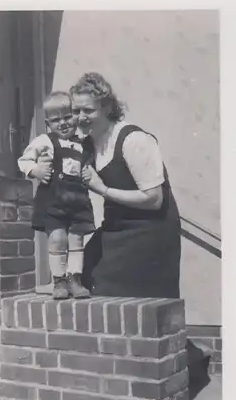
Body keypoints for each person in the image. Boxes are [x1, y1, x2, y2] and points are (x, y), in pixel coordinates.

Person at [69, 72, 181, 298]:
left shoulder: (133, 140)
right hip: (115, 228)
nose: (81, 117)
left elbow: (154, 199)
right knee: (82, 275)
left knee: (128, 300)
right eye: (76, 111)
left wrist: (103, 190)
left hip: (148, 231)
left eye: (88, 110)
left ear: (107, 108)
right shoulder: (89, 142)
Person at [18, 91, 95, 300]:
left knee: (76, 240)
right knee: (57, 239)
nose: (62, 123)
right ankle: (59, 280)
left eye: (67, 117)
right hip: (54, 202)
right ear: (48, 123)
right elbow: (24, 161)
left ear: (75, 117)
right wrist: (37, 171)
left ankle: (75, 279)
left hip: (77, 202)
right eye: (56, 120)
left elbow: (87, 166)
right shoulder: (45, 141)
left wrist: (88, 172)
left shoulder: (83, 144)